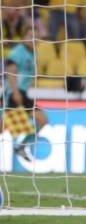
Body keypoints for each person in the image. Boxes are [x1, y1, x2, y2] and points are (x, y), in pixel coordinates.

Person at [2, 22, 48, 162]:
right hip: (14, 93)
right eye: (30, 35)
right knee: (4, 126)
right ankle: (20, 146)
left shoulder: (34, 52)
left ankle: (21, 146)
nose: (33, 38)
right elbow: (11, 72)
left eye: (36, 35)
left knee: (42, 120)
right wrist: (15, 92)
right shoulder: (18, 52)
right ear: (24, 37)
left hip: (23, 93)